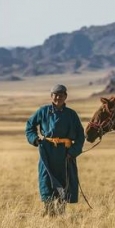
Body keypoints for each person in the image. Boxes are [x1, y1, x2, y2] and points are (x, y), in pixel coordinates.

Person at [25, 84, 85, 216]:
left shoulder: (71, 114)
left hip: (65, 153)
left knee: (65, 179)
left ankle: (61, 211)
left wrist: (73, 152)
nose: (58, 97)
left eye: (61, 95)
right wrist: (35, 139)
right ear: (51, 96)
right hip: (47, 151)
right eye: (55, 95)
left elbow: (81, 136)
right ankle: (49, 210)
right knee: (46, 178)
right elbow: (30, 126)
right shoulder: (43, 111)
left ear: (66, 97)